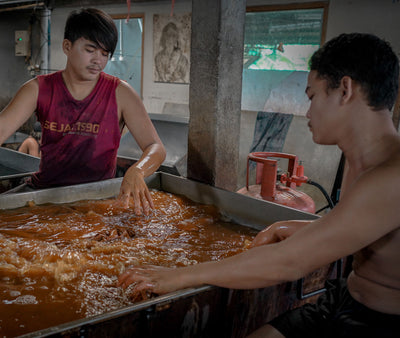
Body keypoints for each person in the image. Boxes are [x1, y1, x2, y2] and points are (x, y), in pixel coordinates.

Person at [118, 33, 400, 337]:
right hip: (343, 300)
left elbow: (292, 262)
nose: (307, 112)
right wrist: (287, 226)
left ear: (344, 90)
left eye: (312, 96)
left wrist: (177, 276)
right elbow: (354, 228)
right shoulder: (362, 162)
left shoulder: (391, 177)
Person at [0, 8, 166, 215]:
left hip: (98, 197)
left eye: (105, 54)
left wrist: (137, 171)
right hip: (45, 193)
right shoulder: (39, 89)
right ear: (67, 46)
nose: (98, 60)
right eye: (90, 50)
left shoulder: (120, 93)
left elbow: (155, 147)